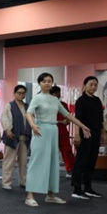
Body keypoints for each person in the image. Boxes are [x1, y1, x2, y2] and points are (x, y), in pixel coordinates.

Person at [25, 73, 92, 206]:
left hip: (53, 130)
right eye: (44, 81)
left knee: (53, 163)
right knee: (36, 162)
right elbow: (29, 113)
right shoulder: (37, 98)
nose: (47, 83)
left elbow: (68, 115)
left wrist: (83, 126)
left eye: (49, 81)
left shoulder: (55, 100)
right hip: (41, 130)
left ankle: (51, 195)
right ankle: (29, 196)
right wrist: (33, 125)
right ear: (39, 83)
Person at [71, 76, 107, 199]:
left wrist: (104, 133)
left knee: (91, 161)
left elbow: (101, 119)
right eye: (91, 84)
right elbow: (77, 119)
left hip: (96, 133)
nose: (93, 87)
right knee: (81, 161)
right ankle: (77, 189)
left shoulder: (97, 100)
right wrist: (77, 135)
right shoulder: (81, 101)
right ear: (85, 86)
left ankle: (88, 188)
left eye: (95, 85)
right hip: (84, 133)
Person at [1, 85, 31, 190]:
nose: (21, 95)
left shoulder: (27, 106)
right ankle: (6, 182)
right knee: (9, 161)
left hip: (24, 137)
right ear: (14, 93)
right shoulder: (9, 105)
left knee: (23, 162)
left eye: (23, 93)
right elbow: (4, 117)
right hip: (12, 136)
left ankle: (23, 181)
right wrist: (7, 129)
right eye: (19, 93)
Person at [50, 86, 76, 178]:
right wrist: (61, 122)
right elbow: (46, 120)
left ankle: (70, 169)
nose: (57, 95)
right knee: (50, 152)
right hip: (51, 131)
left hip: (63, 131)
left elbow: (68, 117)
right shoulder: (47, 105)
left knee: (67, 150)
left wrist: (67, 121)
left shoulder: (63, 104)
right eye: (55, 93)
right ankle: (48, 171)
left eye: (58, 93)